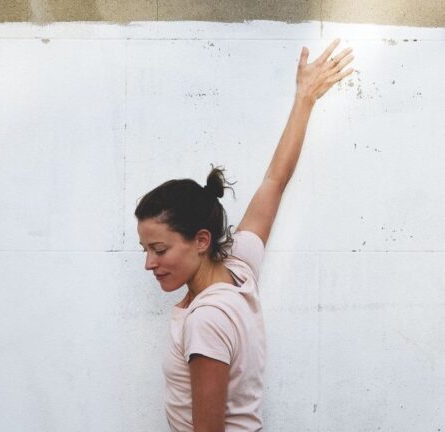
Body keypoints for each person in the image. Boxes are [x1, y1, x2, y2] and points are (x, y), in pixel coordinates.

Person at [135, 39, 355, 432]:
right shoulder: (238, 268)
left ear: (201, 241)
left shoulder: (207, 319)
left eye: (159, 249)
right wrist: (304, 99)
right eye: (146, 249)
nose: (149, 263)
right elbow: (274, 181)